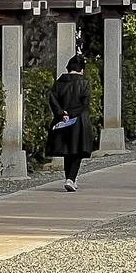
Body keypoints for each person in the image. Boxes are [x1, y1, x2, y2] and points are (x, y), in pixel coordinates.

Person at [47, 53, 97, 191]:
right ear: (81, 69)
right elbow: (84, 103)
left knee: (67, 150)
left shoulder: (59, 82)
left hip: (61, 120)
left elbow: (52, 99)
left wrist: (61, 113)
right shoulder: (84, 83)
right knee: (77, 150)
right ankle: (71, 178)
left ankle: (69, 178)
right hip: (78, 120)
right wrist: (71, 114)